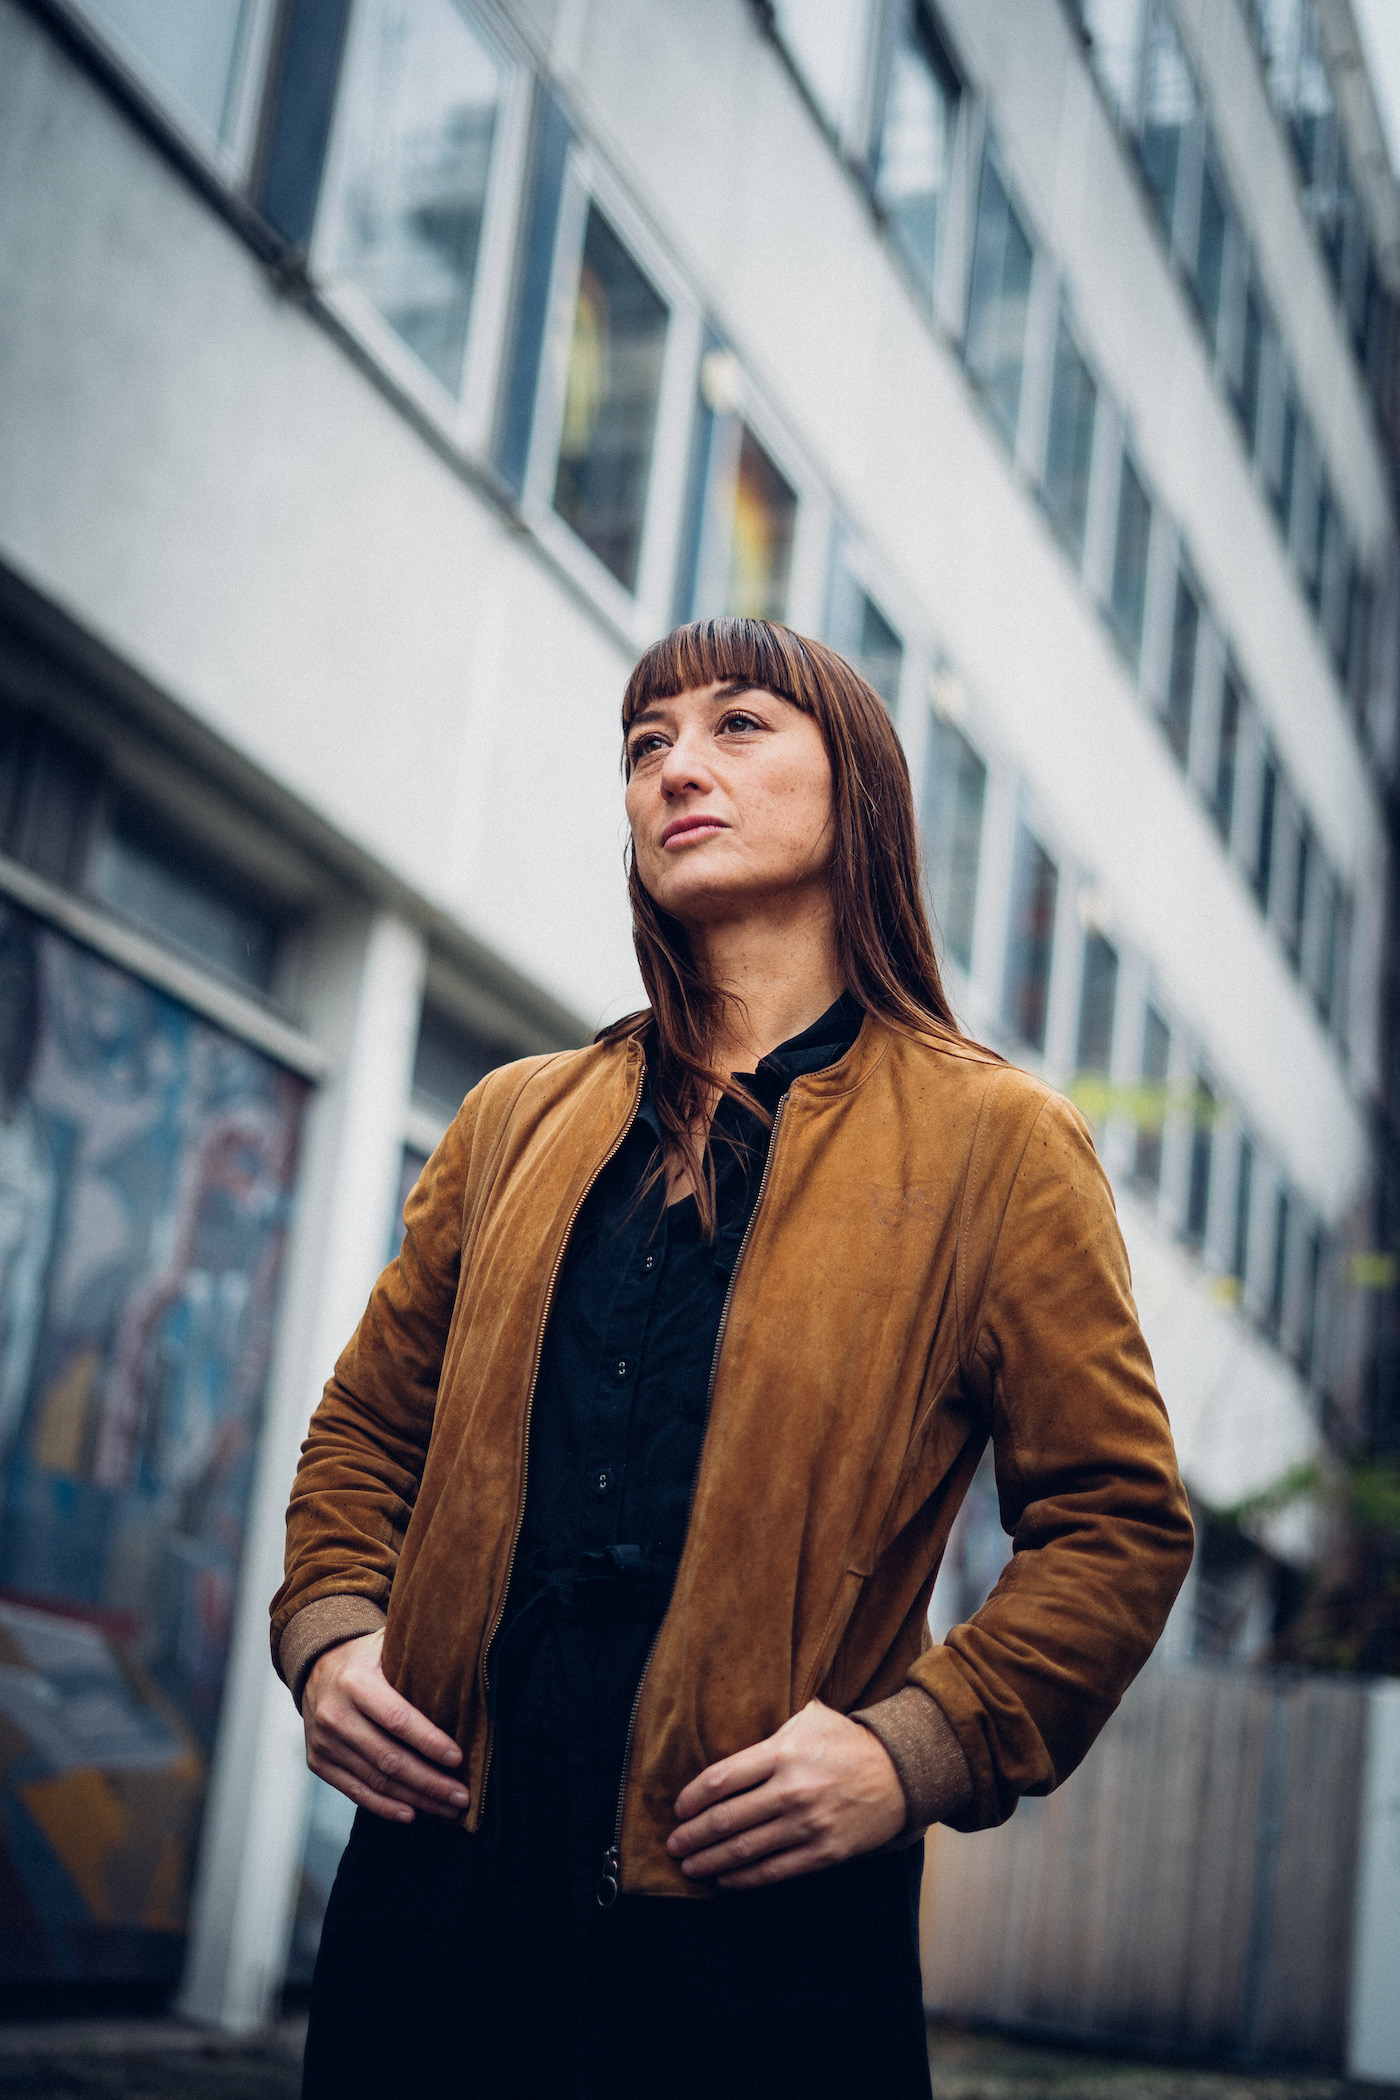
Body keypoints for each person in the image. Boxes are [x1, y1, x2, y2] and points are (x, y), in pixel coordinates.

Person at [272, 618, 1193, 2100]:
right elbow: (371, 1429)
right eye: (645, 747)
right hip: (440, 1890)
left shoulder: (995, 1147)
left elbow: (1117, 1524)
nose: (674, 769)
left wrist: (918, 1750)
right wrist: (326, 1626)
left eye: (737, 727)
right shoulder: (515, 1115)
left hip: (760, 1930)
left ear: (861, 794)